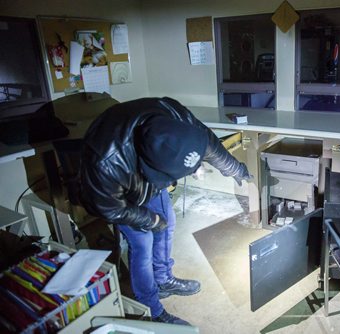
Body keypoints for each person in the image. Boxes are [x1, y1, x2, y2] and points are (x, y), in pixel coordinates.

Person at [79, 97, 250, 325]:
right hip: (124, 197)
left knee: (167, 224)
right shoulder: (105, 162)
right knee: (142, 244)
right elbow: (110, 208)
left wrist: (235, 169)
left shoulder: (178, 119)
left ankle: (163, 279)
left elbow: (207, 143)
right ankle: (152, 311)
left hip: (145, 176)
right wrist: (150, 220)